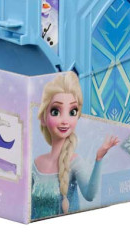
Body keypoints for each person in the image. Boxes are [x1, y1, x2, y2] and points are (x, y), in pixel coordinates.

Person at [32, 72, 119, 219]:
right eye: (55, 111)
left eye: (72, 112)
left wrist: (99, 159)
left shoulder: (75, 162)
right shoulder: (36, 164)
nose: (65, 121)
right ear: (43, 118)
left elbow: (90, 195)